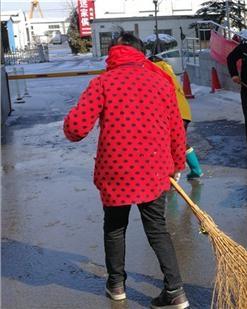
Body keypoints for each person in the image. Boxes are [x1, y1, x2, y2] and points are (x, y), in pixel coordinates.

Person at [63, 32, 189, 308]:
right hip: (155, 167)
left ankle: (116, 285)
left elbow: (75, 128)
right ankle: (176, 290)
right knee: (157, 229)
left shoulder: (103, 82)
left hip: (116, 168)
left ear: (112, 53)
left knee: (115, 227)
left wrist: (68, 125)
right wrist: (177, 164)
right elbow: (176, 128)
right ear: (140, 53)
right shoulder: (160, 80)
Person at [149, 55, 203, 180]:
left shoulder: (153, 72)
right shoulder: (168, 70)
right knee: (180, 142)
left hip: (172, 114)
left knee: (169, 144)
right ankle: (196, 169)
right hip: (184, 111)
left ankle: (173, 176)